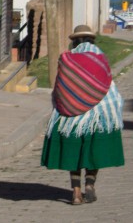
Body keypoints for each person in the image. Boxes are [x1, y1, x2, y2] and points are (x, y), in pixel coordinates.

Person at [41, 24, 125, 205]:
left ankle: (76, 192)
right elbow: (108, 85)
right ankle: (90, 184)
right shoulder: (100, 58)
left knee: (74, 152)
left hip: (71, 116)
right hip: (97, 115)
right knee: (93, 151)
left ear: (74, 42)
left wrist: (67, 103)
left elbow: (59, 87)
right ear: (92, 40)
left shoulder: (66, 59)